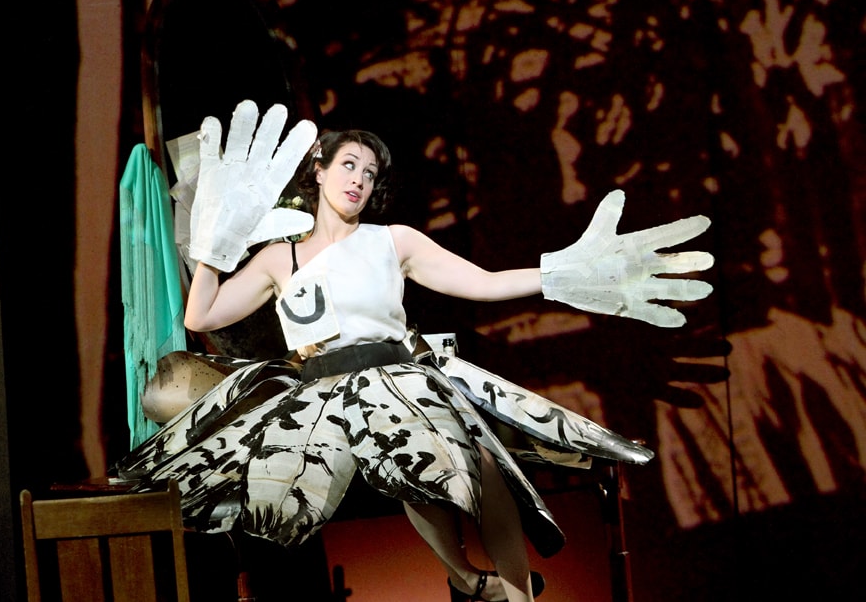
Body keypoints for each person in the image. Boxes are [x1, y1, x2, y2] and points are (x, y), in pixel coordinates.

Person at [117, 101, 713, 602]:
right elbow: (201, 316)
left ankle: (516, 596)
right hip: (322, 396)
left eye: (370, 173)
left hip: (402, 376)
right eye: (348, 165)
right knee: (407, 473)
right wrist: (215, 249)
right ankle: (466, 579)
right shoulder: (281, 258)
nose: (358, 179)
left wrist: (559, 275)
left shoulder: (391, 241)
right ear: (319, 172)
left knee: (482, 466)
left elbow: (481, 281)